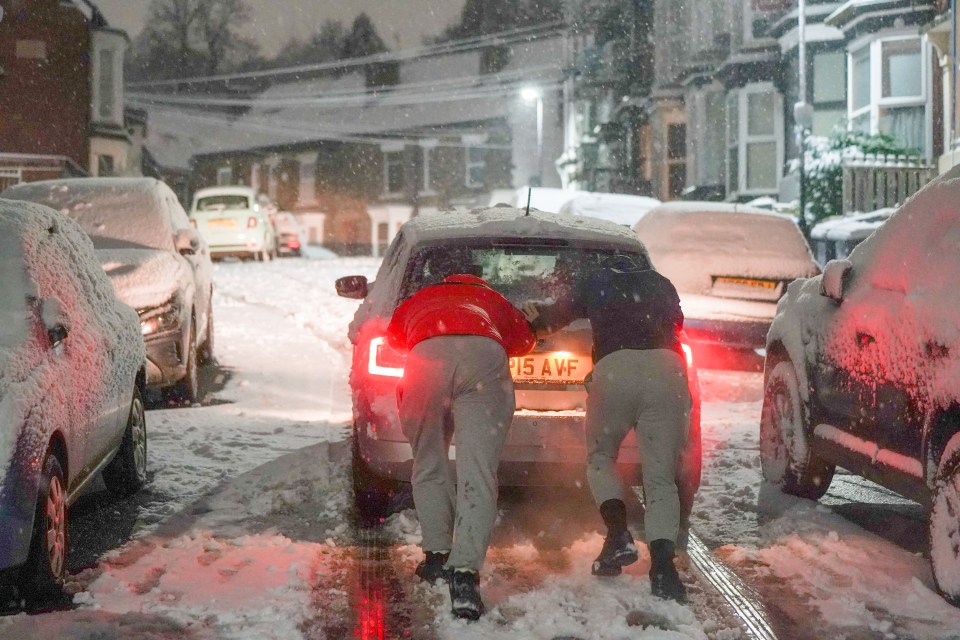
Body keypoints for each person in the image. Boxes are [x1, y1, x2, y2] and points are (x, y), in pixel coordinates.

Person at [522, 254, 693, 602]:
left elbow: (553, 318)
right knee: (660, 477)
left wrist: (532, 325)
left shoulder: (594, 280)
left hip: (614, 370)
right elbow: (676, 322)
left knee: (601, 457)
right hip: (667, 370)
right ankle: (663, 570)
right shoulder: (660, 281)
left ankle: (618, 535)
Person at [386, 272, 536, 620]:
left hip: (426, 357)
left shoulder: (419, 299)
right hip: (483, 358)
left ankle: (437, 556)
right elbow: (524, 343)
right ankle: (465, 577)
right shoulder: (493, 300)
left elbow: (396, 338)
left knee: (428, 460)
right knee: (478, 470)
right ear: (478, 284)